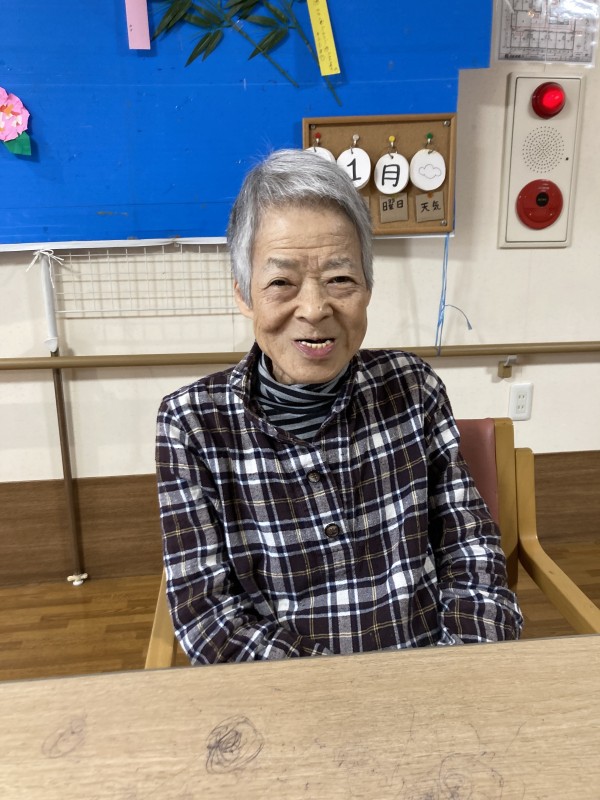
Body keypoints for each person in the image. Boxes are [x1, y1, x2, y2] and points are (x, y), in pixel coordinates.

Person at [155, 149, 522, 664]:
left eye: (340, 279)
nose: (313, 309)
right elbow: (208, 618)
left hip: (436, 676)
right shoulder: (192, 423)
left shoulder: (412, 387)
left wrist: (457, 673)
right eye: (281, 282)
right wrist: (338, 695)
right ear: (244, 294)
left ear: (367, 287)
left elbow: (470, 550)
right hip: (288, 697)